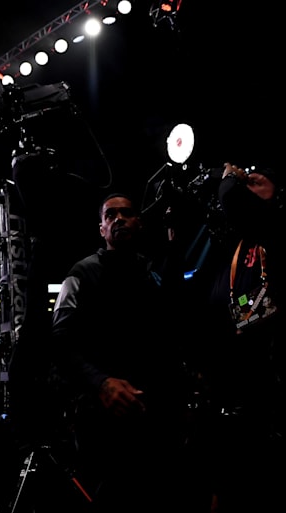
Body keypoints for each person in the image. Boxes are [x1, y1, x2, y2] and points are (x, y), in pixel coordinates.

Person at [49, 192, 202, 512]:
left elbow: (173, 337)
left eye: (127, 213)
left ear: (139, 223)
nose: (119, 219)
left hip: (155, 417)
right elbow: (60, 341)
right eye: (110, 215)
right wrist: (100, 383)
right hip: (103, 419)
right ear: (101, 228)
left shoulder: (153, 274)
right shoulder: (81, 274)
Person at [186, 163, 286, 512]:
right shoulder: (233, 248)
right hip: (233, 393)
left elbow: (233, 199)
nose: (247, 190)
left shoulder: (285, 230)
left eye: (256, 184)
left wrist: (228, 176)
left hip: (276, 395)